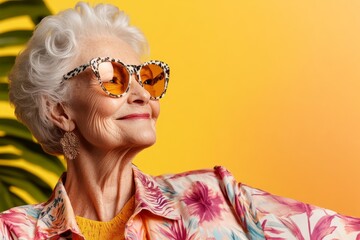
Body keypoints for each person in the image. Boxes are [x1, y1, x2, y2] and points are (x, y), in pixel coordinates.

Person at [0, 2, 359, 239]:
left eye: (146, 76)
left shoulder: (214, 196)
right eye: (113, 77)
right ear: (58, 111)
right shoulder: (14, 232)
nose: (142, 93)